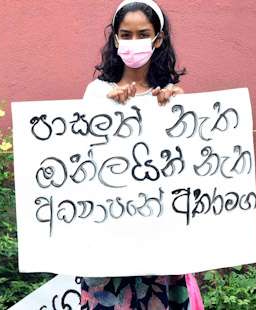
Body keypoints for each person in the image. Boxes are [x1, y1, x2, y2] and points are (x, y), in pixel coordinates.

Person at [81, 1, 204, 309]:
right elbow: (81, 160)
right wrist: (108, 110)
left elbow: (186, 164)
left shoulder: (170, 95)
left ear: (158, 38)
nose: (133, 42)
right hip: (108, 238)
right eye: (126, 34)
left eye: (142, 34)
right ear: (115, 38)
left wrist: (177, 111)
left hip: (159, 238)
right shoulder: (96, 93)